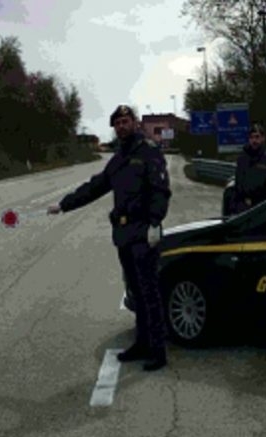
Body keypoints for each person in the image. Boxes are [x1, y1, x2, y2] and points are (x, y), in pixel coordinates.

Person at [47, 104, 172, 371]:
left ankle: (158, 351)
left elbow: (160, 190)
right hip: (124, 235)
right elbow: (95, 187)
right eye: (117, 123)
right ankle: (142, 344)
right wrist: (64, 204)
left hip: (143, 232)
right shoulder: (117, 160)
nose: (122, 126)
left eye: (126, 121)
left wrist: (155, 223)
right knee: (136, 292)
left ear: (135, 123)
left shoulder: (148, 152)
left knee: (150, 293)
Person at [231, 123, 266, 214]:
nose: (254, 140)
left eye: (257, 137)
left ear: (263, 138)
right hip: (244, 208)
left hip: (263, 207)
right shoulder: (242, 160)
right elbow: (238, 185)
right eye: (252, 137)